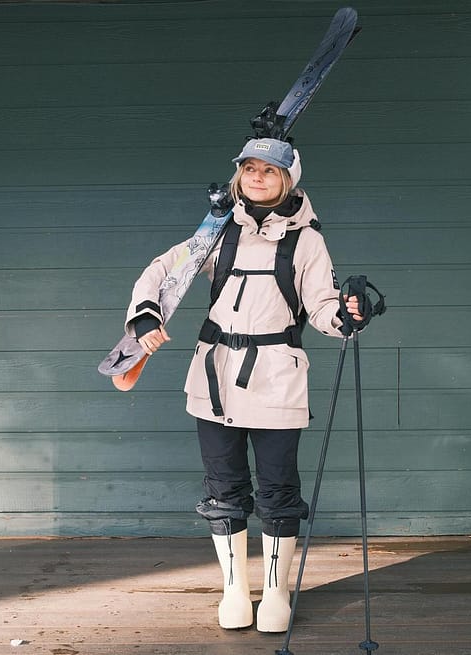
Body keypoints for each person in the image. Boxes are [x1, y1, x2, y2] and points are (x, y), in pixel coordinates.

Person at [124, 138, 363, 632]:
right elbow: (162, 269)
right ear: (239, 175)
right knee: (224, 487)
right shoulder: (216, 231)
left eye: (269, 171)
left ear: (288, 180)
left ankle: (274, 594)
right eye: (249, 168)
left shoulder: (307, 240)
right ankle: (235, 590)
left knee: (277, 488)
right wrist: (145, 315)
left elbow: (320, 305)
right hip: (214, 377)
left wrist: (345, 315)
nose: (257, 177)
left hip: (277, 377)